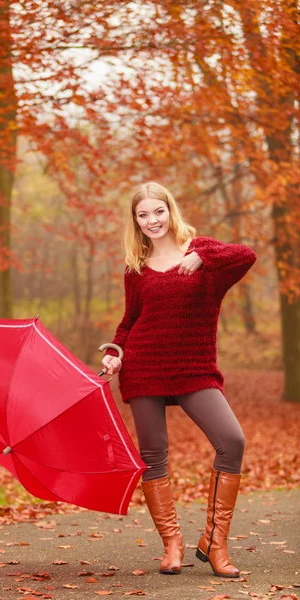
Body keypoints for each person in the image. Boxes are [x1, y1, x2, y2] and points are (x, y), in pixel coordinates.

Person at [101, 181, 257, 578]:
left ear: (170, 210)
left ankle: (215, 543)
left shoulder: (202, 251)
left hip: (194, 367)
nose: (152, 220)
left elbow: (246, 255)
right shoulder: (135, 268)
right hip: (145, 366)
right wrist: (115, 352)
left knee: (232, 440)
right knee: (153, 454)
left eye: (158, 211)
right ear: (135, 221)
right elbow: (130, 321)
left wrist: (203, 259)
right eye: (143, 214)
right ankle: (172, 544)